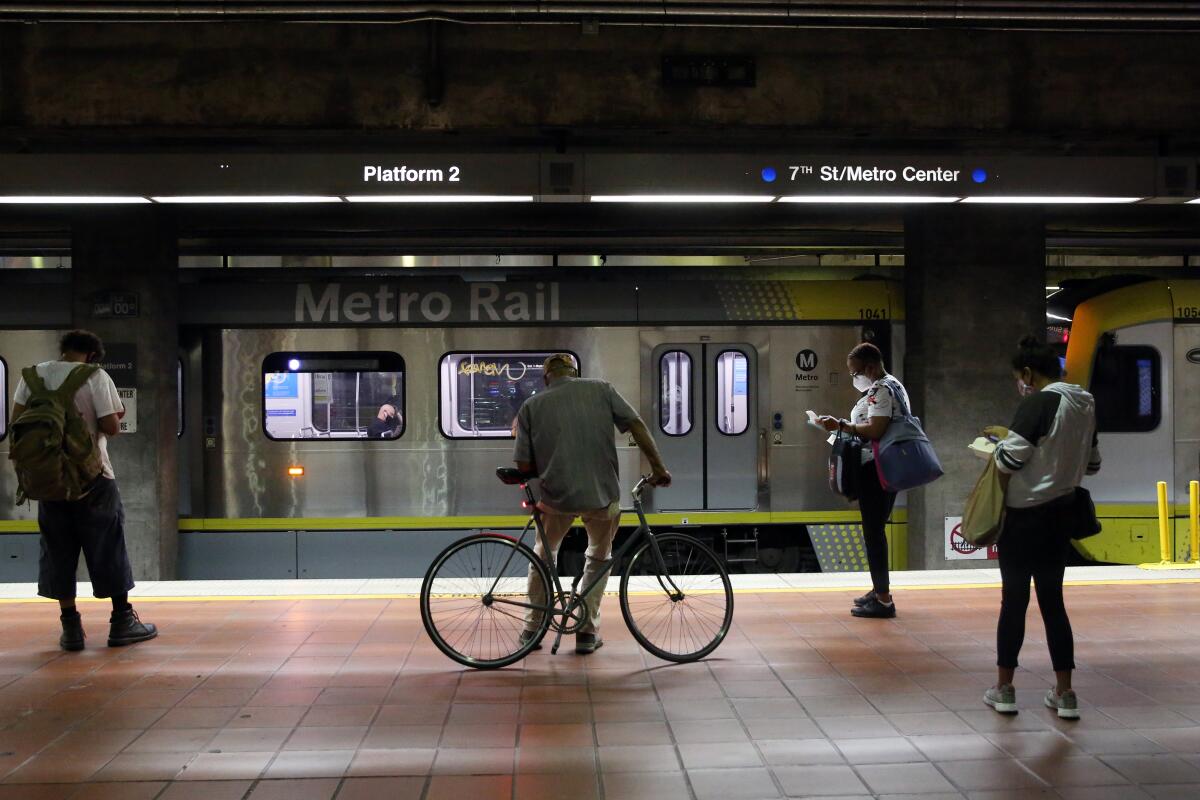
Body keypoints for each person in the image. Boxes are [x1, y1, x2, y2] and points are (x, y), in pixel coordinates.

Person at [514, 353, 671, 654]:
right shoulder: (602, 389)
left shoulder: (531, 406)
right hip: (601, 495)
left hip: (555, 497)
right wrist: (658, 468)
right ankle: (586, 632)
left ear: (547, 378)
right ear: (573, 372)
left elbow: (522, 464)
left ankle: (532, 629)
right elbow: (636, 425)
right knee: (600, 555)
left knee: (543, 555)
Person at [10, 330, 157, 651]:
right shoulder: (95, 376)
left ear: (63, 350)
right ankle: (122, 622)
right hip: (94, 478)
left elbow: (16, 421)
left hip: (48, 480)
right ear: (91, 355)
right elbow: (110, 427)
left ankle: (71, 629)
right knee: (107, 544)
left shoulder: (32, 376)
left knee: (57, 548)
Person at [982, 335, 1101, 720]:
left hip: (1024, 517)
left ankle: (1004, 689)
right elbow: (1094, 463)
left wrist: (995, 443)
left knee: (1013, 602)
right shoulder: (1084, 403)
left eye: (1020, 377)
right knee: (1053, 603)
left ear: (1029, 374)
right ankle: (1065, 693)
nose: (1021, 383)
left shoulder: (1038, 402)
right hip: (1061, 515)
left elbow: (1010, 460)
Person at [816, 342, 909, 619]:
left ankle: (883, 600)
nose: (853, 377)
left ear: (870, 367)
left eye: (855, 372)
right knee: (874, 531)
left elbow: (876, 430)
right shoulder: (893, 385)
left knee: (873, 533)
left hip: (876, 469)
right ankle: (878, 590)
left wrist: (841, 426)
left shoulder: (882, 389)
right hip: (885, 466)